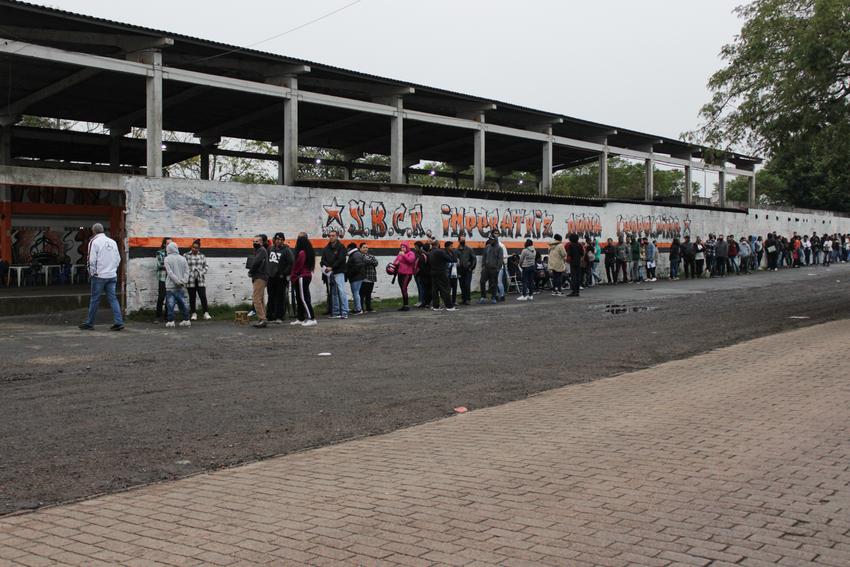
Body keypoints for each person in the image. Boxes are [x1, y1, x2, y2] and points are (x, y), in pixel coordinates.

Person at [79, 223, 124, 331]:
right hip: (112, 275)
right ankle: (119, 322)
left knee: (95, 300)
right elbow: (118, 259)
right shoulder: (112, 242)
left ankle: (90, 323)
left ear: (93, 231)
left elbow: (91, 260)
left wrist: (92, 273)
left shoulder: (94, 242)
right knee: (113, 299)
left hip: (99, 276)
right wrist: (113, 269)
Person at [162, 241, 191, 329]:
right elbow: (187, 271)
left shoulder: (167, 259)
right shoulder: (183, 258)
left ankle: (171, 321)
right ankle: (186, 320)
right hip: (181, 286)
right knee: (183, 303)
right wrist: (183, 281)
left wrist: (177, 281)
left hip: (171, 286)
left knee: (170, 305)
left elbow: (170, 273)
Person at [290, 233, 317, 326]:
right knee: (299, 298)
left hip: (302, 276)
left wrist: (293, 275)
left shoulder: (302, 253)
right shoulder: (308, 251)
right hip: (304, 276)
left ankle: (312, 318)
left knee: (303, 298)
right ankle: (300, 318)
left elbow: (298, 266)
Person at [320, 229, 348, 319]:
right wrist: (326, 267)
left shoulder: (341, 247)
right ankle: (336, 312)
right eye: (330, 236)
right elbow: (322, 260)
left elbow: (341, 259)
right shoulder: (326, 248)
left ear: (337, 236)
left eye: (333, 236)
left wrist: (332, 267)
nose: (331, 237)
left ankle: (344, 312)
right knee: (333, 293)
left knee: (341, 291)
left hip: (339, 272)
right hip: (330, 274)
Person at [267, 232, 294, 323]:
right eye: (277, 239)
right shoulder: (271, 249)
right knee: (271, 297)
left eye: (281, 239)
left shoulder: (286, 250)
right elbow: (268, 261)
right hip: (271, 277)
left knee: (280, 297)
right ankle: (270, 316)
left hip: (281, 278)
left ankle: (279, 316)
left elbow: (291, 263)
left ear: (283, 241)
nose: (279, 241)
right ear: (275, 240)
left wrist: (284, 273)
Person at [184, 239, 211, 321]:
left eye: (196, 248)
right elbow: (183, 267)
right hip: (190, 280)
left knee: (203, 296)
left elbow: (206, 266)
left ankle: (206, 313)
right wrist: (189, 272)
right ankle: (194, 313)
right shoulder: (186, 255)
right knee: (192, 297)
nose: (194, 249)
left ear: (199, 248)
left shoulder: (202, 256)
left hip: (200, 279)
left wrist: (201, 272)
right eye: (193, 247)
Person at [248, 234, 270, 328]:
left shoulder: (261, 250)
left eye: (257, 241)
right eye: (254, 241)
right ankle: (263, 318)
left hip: (259, 276)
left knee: (256, 299)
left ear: (261, 242)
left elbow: (256, 262)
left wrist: (250, 272)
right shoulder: (260, 250)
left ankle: (262, 319)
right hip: (261, 276)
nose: (255, 243)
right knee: (260, 299)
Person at [429, 241, 456, 311]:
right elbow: (450, 259)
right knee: (445, 288)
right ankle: (449, 306)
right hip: (441, 272)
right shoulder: (439, 251)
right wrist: (452, 253)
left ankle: (436, 306)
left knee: (435, 290)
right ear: (438, 244)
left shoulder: (431, 252)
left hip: (433, 272)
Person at [478, 235, 502, 304]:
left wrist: (498, 269)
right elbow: (484, 257)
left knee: (494, 284)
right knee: (482, 282)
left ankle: (493, 297)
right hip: (486, 268)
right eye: (489, 239)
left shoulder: (499, 248)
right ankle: (483, 297)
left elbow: (500, 259)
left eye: (491, 239)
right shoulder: (487, 247)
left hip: (494, 269)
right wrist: (483, 266)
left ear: (495, 240)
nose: (490, 240)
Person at [393, 242, 417, 311]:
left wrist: (404, 255)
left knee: (404, 288)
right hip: (400, 273)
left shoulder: (411, 253)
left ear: (407, 247)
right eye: (401, 247)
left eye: (404, 247)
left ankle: (406, 305)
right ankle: (404, 305)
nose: (402, 248)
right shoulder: (400, 254)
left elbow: (410, 261)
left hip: (407, 274)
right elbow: (395, 261)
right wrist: (396, 263)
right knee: (402, 289)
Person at [154, 237, 171, 323]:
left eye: (171, 244)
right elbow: (159, 265)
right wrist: (170, 265)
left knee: (169, 297)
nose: (170, 245)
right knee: (161, 297)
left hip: (171, 278)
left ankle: (167, 316)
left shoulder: (174, 254)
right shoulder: (160, 253)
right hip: (163, 277)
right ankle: (158, 316)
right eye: (168, 243)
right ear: (164, 244)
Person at [345, 242, 366, 315]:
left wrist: (350, 273)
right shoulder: (355, 254)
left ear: (350, 248)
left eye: (348, 248)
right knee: (356, 293)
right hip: (357, 276)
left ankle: (358, 309)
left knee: (356, 293)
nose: (347, 250)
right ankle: (357, 308)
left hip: (356, 277)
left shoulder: (355, 255)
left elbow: (358, 266)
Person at [455, 235, 476, 305]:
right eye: (462, 240)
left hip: (468, 270)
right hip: (460, 270)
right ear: (459, 240)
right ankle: (463, 299)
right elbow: (455, 260)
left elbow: (474, 259)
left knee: (467, 284)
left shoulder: (469, 249)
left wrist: (471, 268)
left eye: (464, 239)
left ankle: (468, 299)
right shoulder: (456, 250)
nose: (463, 241)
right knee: (462, 285)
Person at [358, 242, 378, 313]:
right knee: (362, 294)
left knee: (368, 294)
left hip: (371, 277)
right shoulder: (359, 256)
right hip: (363, 278)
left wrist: (369, 261)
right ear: (360, 248)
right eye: (364, 247)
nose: (365, 249)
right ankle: (361, 308)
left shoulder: (371, 256)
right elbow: (365, 262)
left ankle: (368, 308)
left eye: (366, 247)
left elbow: (376, 263)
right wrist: (370, 261)